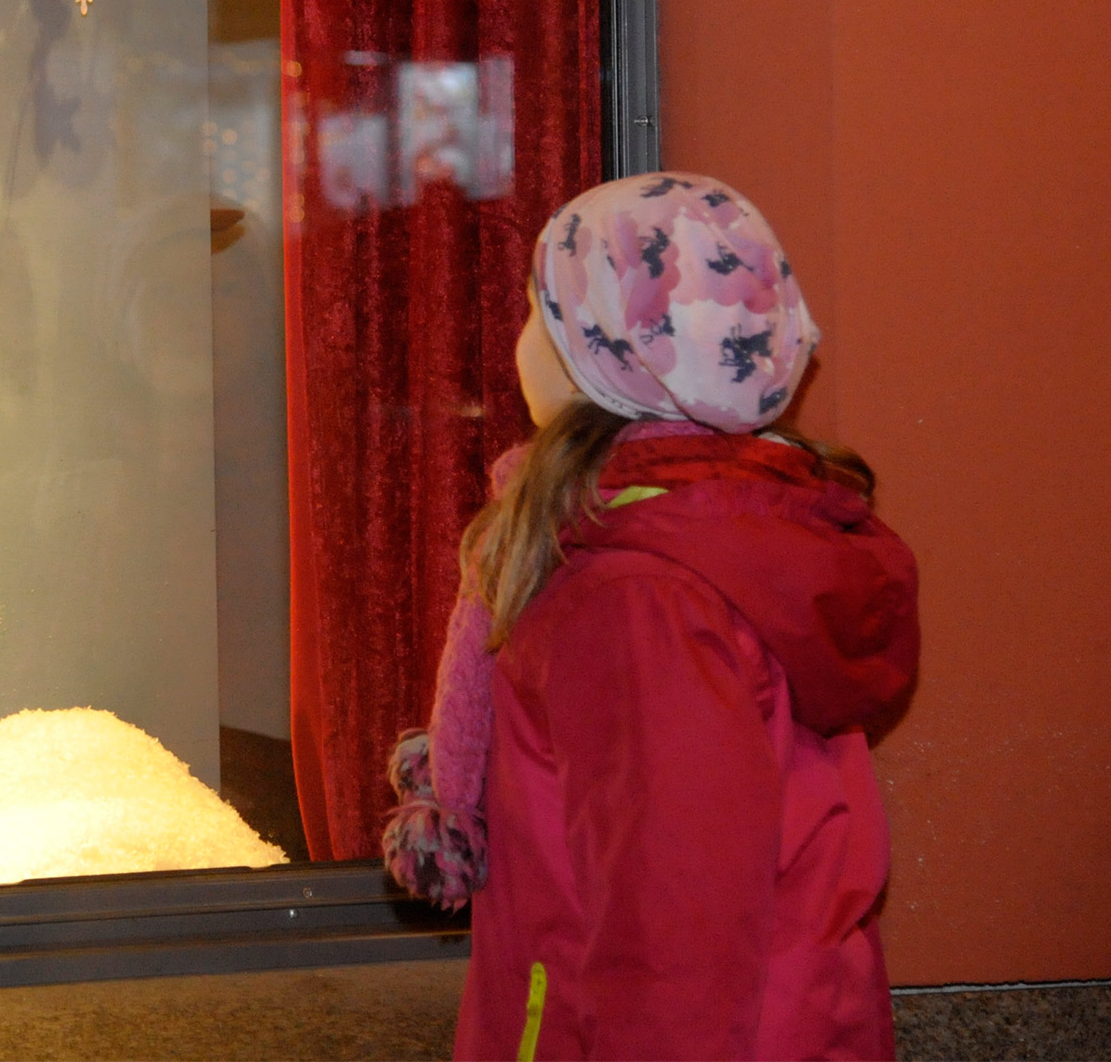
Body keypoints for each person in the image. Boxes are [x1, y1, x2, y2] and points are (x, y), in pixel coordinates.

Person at [383, 173, 920, 1061]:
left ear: (603, 354)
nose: (519, 343)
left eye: (533, 316)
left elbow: (674, 928)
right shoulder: (720, 533)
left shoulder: (633, 594)